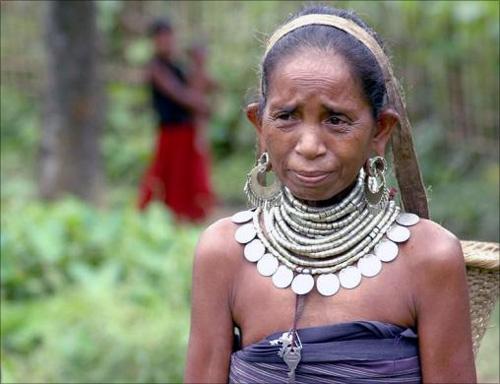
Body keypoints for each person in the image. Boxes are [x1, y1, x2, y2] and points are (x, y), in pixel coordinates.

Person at [185, 5, 476, 384]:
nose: (309, 145)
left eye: (336, 120)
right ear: (259, 125)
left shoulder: (428, 258)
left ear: (380, 131)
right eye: (287, 116)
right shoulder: (224, 253)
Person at [137, 19, 215, 223]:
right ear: (154, 41)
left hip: (186, 130)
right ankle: (156, 216)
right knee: (164, 176)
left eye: (169, 36)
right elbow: (181, 95)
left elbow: (205, 86)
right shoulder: (156, 67)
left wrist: (199, 65)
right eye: (161, 37)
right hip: (170, 132)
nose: (166, 42)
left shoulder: (179, 67)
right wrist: (200, 105)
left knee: (186, 177)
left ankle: (186, 216)